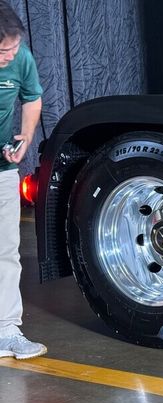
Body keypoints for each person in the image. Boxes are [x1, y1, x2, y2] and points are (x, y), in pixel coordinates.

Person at [0, 0, 46, 359]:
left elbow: (32, 98)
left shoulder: (21, 58)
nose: (10, 56)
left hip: (2, 170)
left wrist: (25, 138)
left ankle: (6, 331)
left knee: (6, 251)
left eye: (14, 48)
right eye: (4, 51)